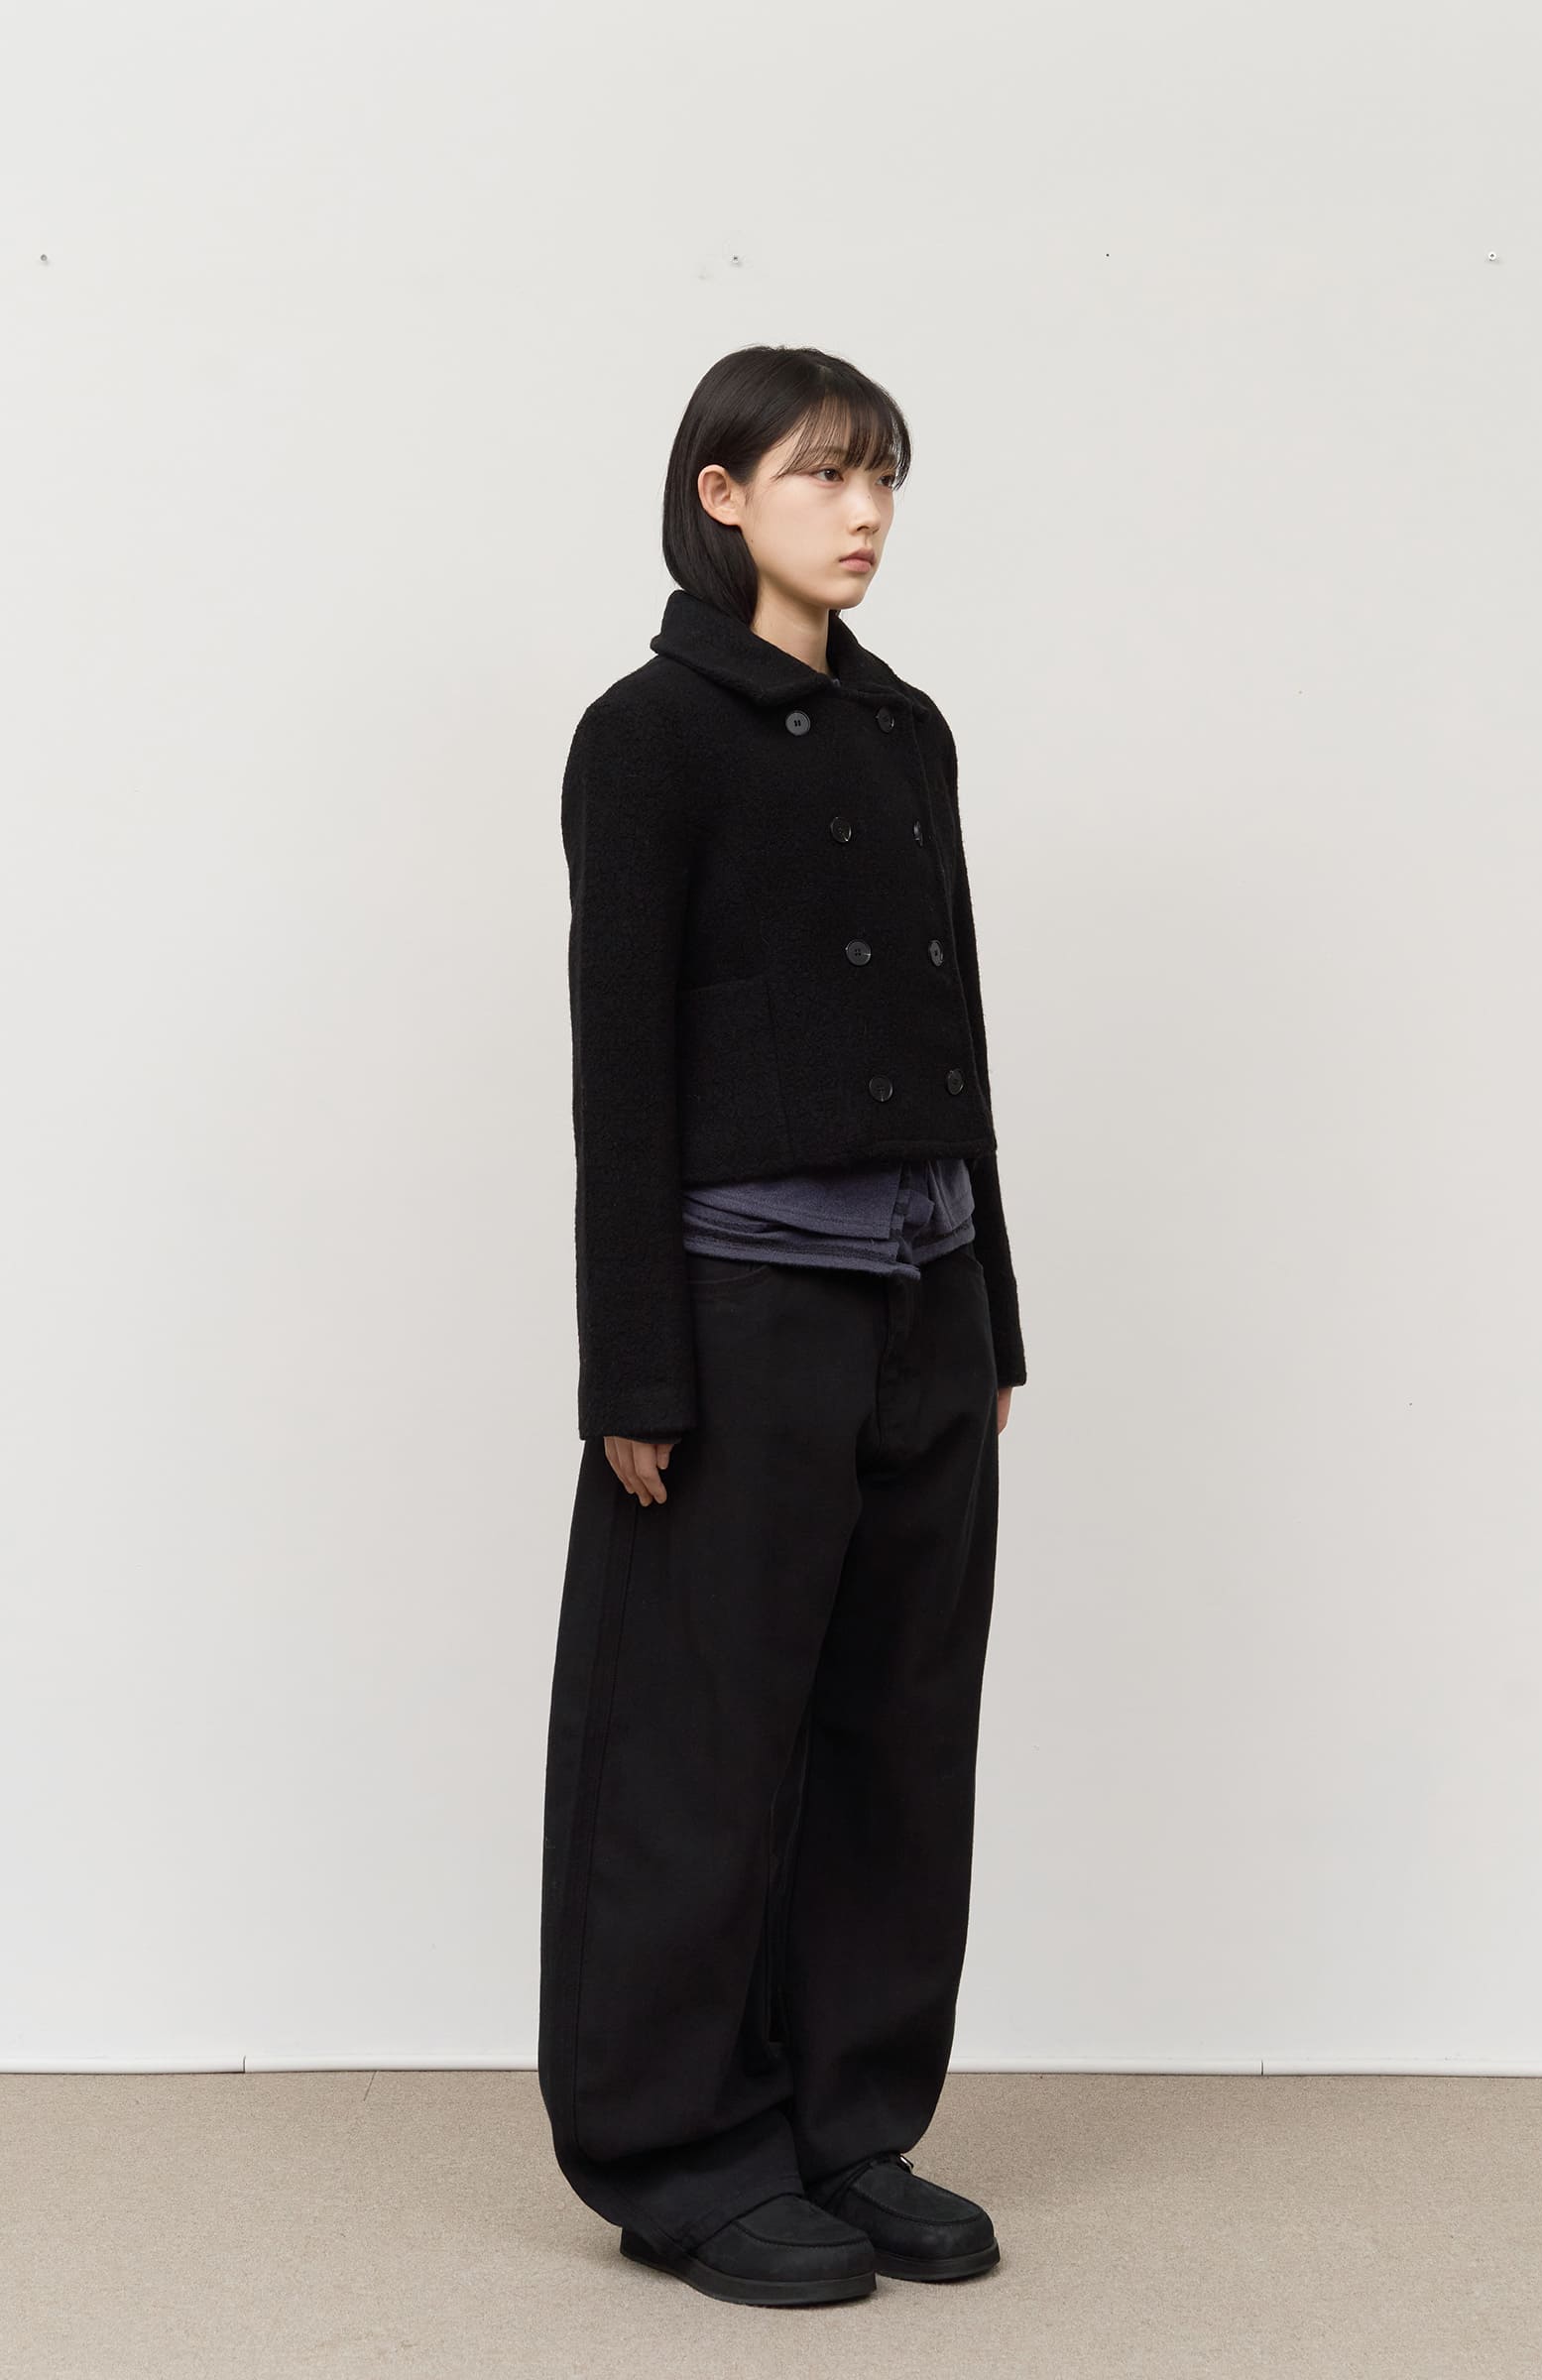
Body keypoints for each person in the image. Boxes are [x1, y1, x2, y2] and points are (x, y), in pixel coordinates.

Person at [537, 344, 1027, 2310]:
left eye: (884, 477)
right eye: (826, 475)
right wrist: (633, 1367)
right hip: (741, 1310)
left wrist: (994, 1314)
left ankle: (848, 2125)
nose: (866, 513)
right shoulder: (648, 736)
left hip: (925, 1298)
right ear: (720, 493)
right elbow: (621, 1067)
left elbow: (955, 1029)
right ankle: (677, 2149)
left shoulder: (907, 731)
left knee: (898, 1740)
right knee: (699, 1745)